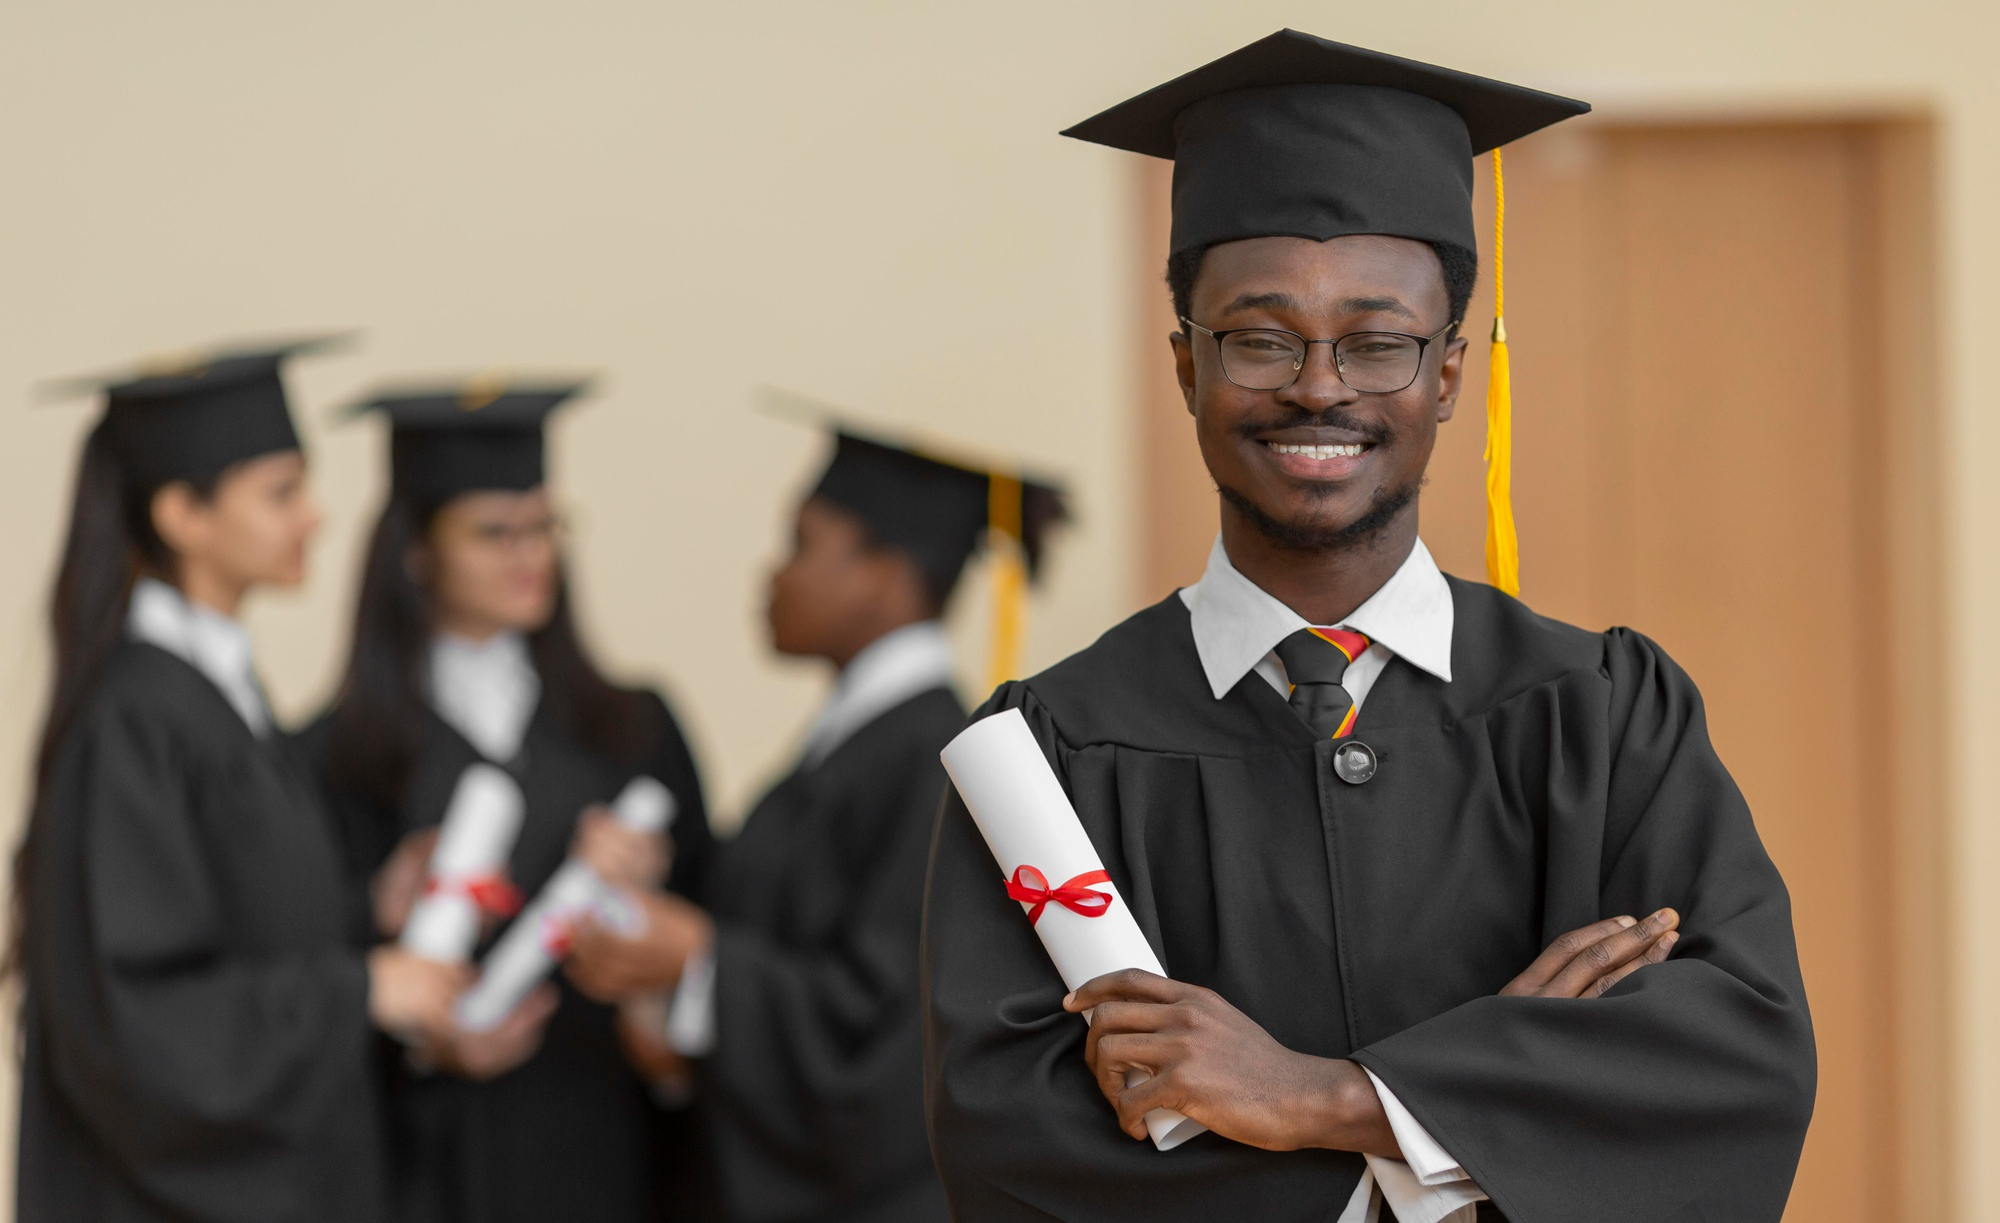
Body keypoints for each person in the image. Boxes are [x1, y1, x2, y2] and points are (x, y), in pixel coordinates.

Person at [922, 30, 1816, 1223]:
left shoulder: (1604, 715)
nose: (1318, 386)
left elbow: (1733, 1059)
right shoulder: (1052, 752)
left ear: (1448, 373)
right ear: (1185, 364)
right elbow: (1011, 1143)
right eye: (1258, 336)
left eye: (1378, 341)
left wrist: (1326, 1097)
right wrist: (1487, 1108)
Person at [564, 418, 1066, 1223]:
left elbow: (890, 1034)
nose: (774, 574)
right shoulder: (854, 748)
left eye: (801, 543)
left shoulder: (934, 764)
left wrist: (698, 960)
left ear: (884, 573)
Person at [12, 339, 467, 1223]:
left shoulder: (219, 697)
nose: (316, 518)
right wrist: (364, 988)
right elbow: (140, 1020)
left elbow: (234, 926)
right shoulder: (137, 721)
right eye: (282, 491)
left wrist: (365, 905)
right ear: (185, 513)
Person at [300, 378, 716, 1223]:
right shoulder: (335, 756)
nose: (528, 554)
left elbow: (709, 941)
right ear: (417, 550)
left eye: (543, 525)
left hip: (600, 1152)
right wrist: (422, 1033)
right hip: (421, 1162)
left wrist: (640, 909)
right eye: (493, 531)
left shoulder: (632, 730)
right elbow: (303, 964)